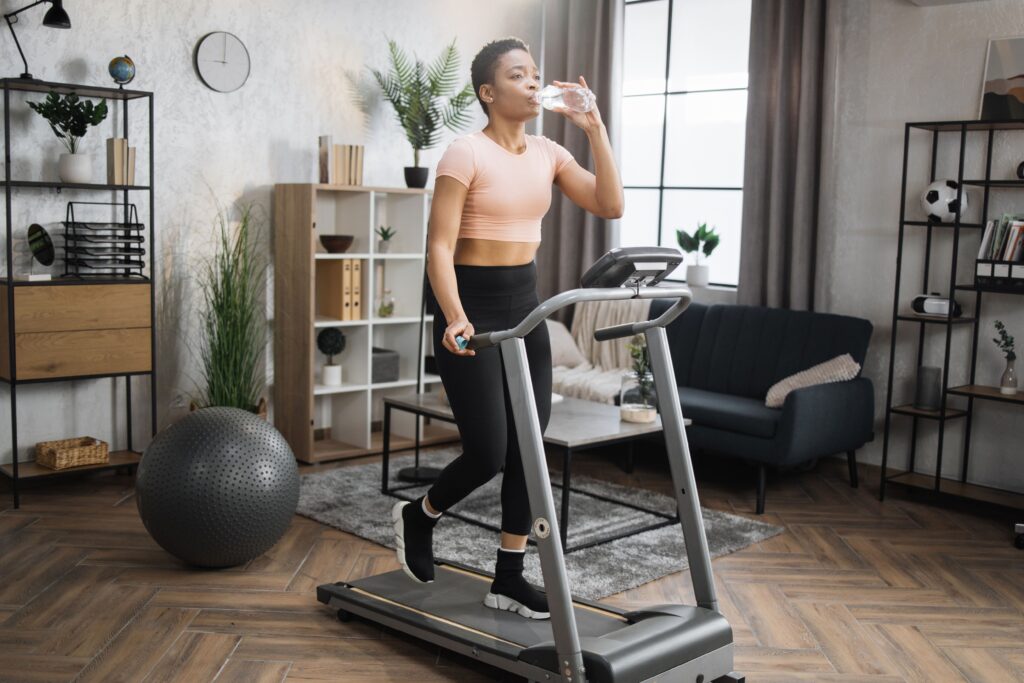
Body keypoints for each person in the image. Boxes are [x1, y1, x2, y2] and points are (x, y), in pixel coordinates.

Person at [392, 37, 624, 620]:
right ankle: (419, 516)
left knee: (529, 450)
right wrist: (453, 315)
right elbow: (439, 247)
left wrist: (594, 127)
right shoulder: (463, 153)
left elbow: (610, 206)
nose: (532, 83)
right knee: (488, 451)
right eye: (518, 75)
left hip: (525, 306)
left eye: (535, 74)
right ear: (489, 93)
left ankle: (509, 577)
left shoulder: (549, 151)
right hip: (467, 302)